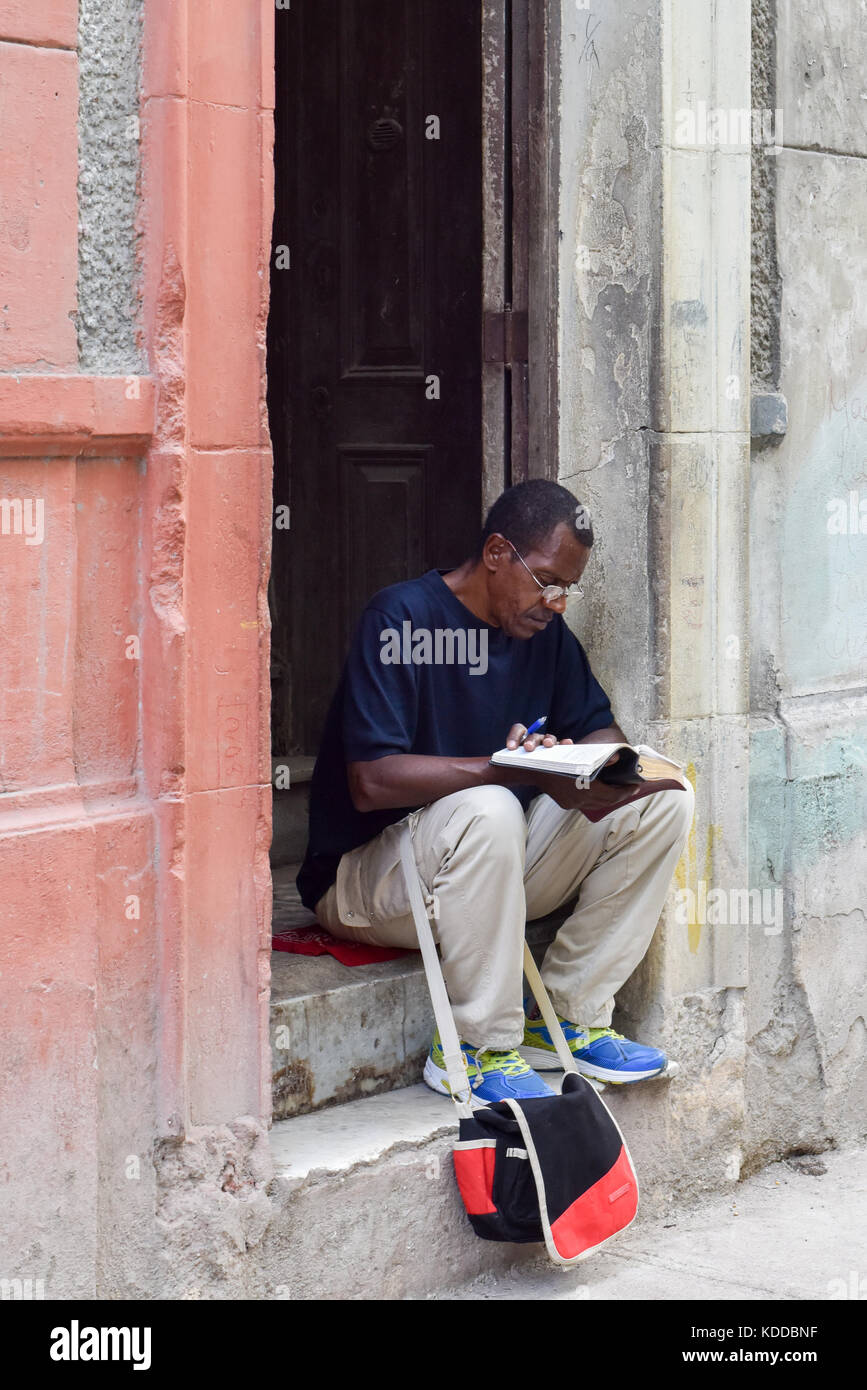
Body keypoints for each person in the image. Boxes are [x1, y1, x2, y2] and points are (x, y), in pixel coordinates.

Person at [297, 480, 695, 1104]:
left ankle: (566, 1014)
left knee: (660, 795)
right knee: (491, 806)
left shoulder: (543, 637)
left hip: (486, 874)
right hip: (366, 883)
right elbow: (370, 782)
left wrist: (581, 764)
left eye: (568, 588)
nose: (557, 602)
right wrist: (505, 768)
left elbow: (602, 731)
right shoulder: (400, 618)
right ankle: (475, 1046)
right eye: (545, 580)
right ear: (496, 554)